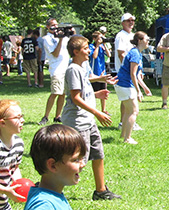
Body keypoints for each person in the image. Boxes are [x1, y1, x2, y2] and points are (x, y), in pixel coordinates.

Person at [62, 35, 121, 200]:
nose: (90, 51)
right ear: (76, 52)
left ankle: (101, 191)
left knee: (98, 154)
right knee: (78, 161)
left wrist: (97, 94)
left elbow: (83, 93)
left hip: (88, 120)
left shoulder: (81, 69)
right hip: (77, 122)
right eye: (86, 48)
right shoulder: (73, 69)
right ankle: (49, 185)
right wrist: (98, 112)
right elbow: (75, 98)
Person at [115, 32, 151, 144]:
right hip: (126, 85)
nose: (148, 41)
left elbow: (136, 76)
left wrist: (144, 88)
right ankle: (128, 138)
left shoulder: (136, 52)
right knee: (134, 111)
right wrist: (138, 91)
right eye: (147, 39)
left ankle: (123, 135)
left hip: (122, 84)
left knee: (128, 111)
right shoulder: (135, 54)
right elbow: (132, 73)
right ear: (140, 41)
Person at [39, 18, 70, 125]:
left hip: (66, 68)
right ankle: (46, 116)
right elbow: (55, 54)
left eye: (57, 25)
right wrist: (60, 40)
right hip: (56, 69)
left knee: (63, 93)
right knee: (55, 92)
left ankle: (58, 116)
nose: (55, 27)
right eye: (53, 25)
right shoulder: (47, 39)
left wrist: (69, 34)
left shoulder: (64, 37)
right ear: (48, 27)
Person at [89, 31, 111, 114]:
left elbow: (108, 55)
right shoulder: (91, 46)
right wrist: (97, 45)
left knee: (104, 90)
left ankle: (103, 109)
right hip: (94, 72)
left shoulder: (102, 46)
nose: (101, 39)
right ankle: (91, 107)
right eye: (99, 38)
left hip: (102, 72)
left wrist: (104, 45)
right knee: (93, 92)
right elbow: (94, 56)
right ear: (94, 39)